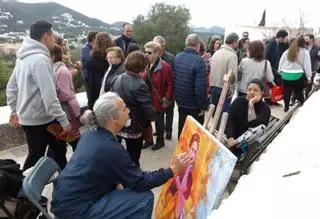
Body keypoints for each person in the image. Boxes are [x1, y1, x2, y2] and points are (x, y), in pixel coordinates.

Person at [51, 92, 192, 219]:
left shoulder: (90, 134)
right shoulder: (110, 148)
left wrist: (117, 183)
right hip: (75, 211)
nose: (129, 110)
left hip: (64, 199)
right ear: (113, 119)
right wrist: (172, 170)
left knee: (123, 189)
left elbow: (100, 170)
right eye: (124, 108)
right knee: (144, 198)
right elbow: (141, 182)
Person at [6, 20, 71, 170]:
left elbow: (11, 88)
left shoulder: (22, 58)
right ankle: (23, 190)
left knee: (50, 153)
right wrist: (64, 121)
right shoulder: (41, 60)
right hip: (43, 120)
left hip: (29, 119)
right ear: (46, 36)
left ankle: (61, 184)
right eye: (53, 36)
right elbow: (49, 96)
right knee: (39, 157)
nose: (54, 40)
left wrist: (15, 111)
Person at [111, 51, 156, 165]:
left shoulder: (117, 78)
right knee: (134, 157)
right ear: (141, 66)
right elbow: (148, 110)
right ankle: (134, 179)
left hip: (119, 123)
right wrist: (156, 115)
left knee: (121, 155)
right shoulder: (140, 84)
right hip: (134, 127)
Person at [174, 34, 208, 139]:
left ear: (186, 43)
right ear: (198, 45)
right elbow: (200, 88)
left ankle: (180, 152)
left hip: (180, 101)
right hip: (194, 105)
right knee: (194, 135)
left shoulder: (178, 57)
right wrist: (203, 106)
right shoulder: (199, 61)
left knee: (182, 128)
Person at [51, 44, 81, 151]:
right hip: (66, 108)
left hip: (67, 109)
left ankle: (81, 162)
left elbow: (65, 94)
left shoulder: (60, 71)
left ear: (53, 56)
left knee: (74, 139)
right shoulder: (58, 69)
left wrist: (50, 97)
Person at [225, 79, 271, 149]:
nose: (252, 92)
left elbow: (254, 127)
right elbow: (230, 120)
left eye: (255, 90)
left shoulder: (265, 108)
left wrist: (251, 105)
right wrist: (230, 137)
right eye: (249, 90)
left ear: (261, 92)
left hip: (249, 144)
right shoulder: (239, 101)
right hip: (232, 139)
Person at [165, 133, 200, 219]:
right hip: (172, 203)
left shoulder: (192, 174)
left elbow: (187, 193)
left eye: (195, 151)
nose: (193, 154)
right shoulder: (181, 163)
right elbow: (171, 187)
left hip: (180, 207)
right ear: (189, 148)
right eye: (192, 149)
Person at [278, 36, 312, 112]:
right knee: (299, 92)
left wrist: (280, 72)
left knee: (287, 92)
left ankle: (286, 107)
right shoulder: (304, 52)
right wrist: (309, 77)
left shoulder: (287, 51)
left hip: (285, 74)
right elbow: (307, 65)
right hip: (298, 75)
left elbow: (281, 63)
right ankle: (302, 106)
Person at [153, 35, 175, 140]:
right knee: (158, 113)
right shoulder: (151, 57)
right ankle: (159, 131)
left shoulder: (171, 58)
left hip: (168, 90)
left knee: (169, 112)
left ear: (163, 46)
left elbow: (173, 76)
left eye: (157, 45)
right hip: (156, 91)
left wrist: (169, 94)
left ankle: (169, 131)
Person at [80, 31, 98, 96]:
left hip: (94, 76)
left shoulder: (92, 48)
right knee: (91, 95)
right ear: (93, 38)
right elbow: (90, 61)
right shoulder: (85, 49)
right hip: (88, 76)